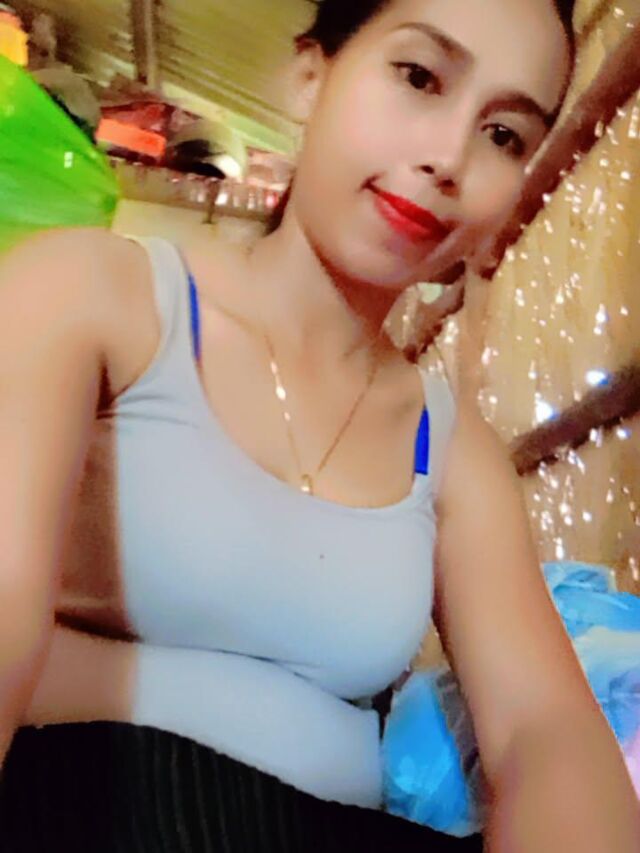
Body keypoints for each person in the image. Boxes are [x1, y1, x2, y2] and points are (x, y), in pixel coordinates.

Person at [0, 0, 638, 850]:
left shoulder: (451, 449)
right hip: (92, 804)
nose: (447, 157)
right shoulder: (89, 295)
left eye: (503, 135)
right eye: (419, 77)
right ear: (310, 77)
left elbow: (545, 729)